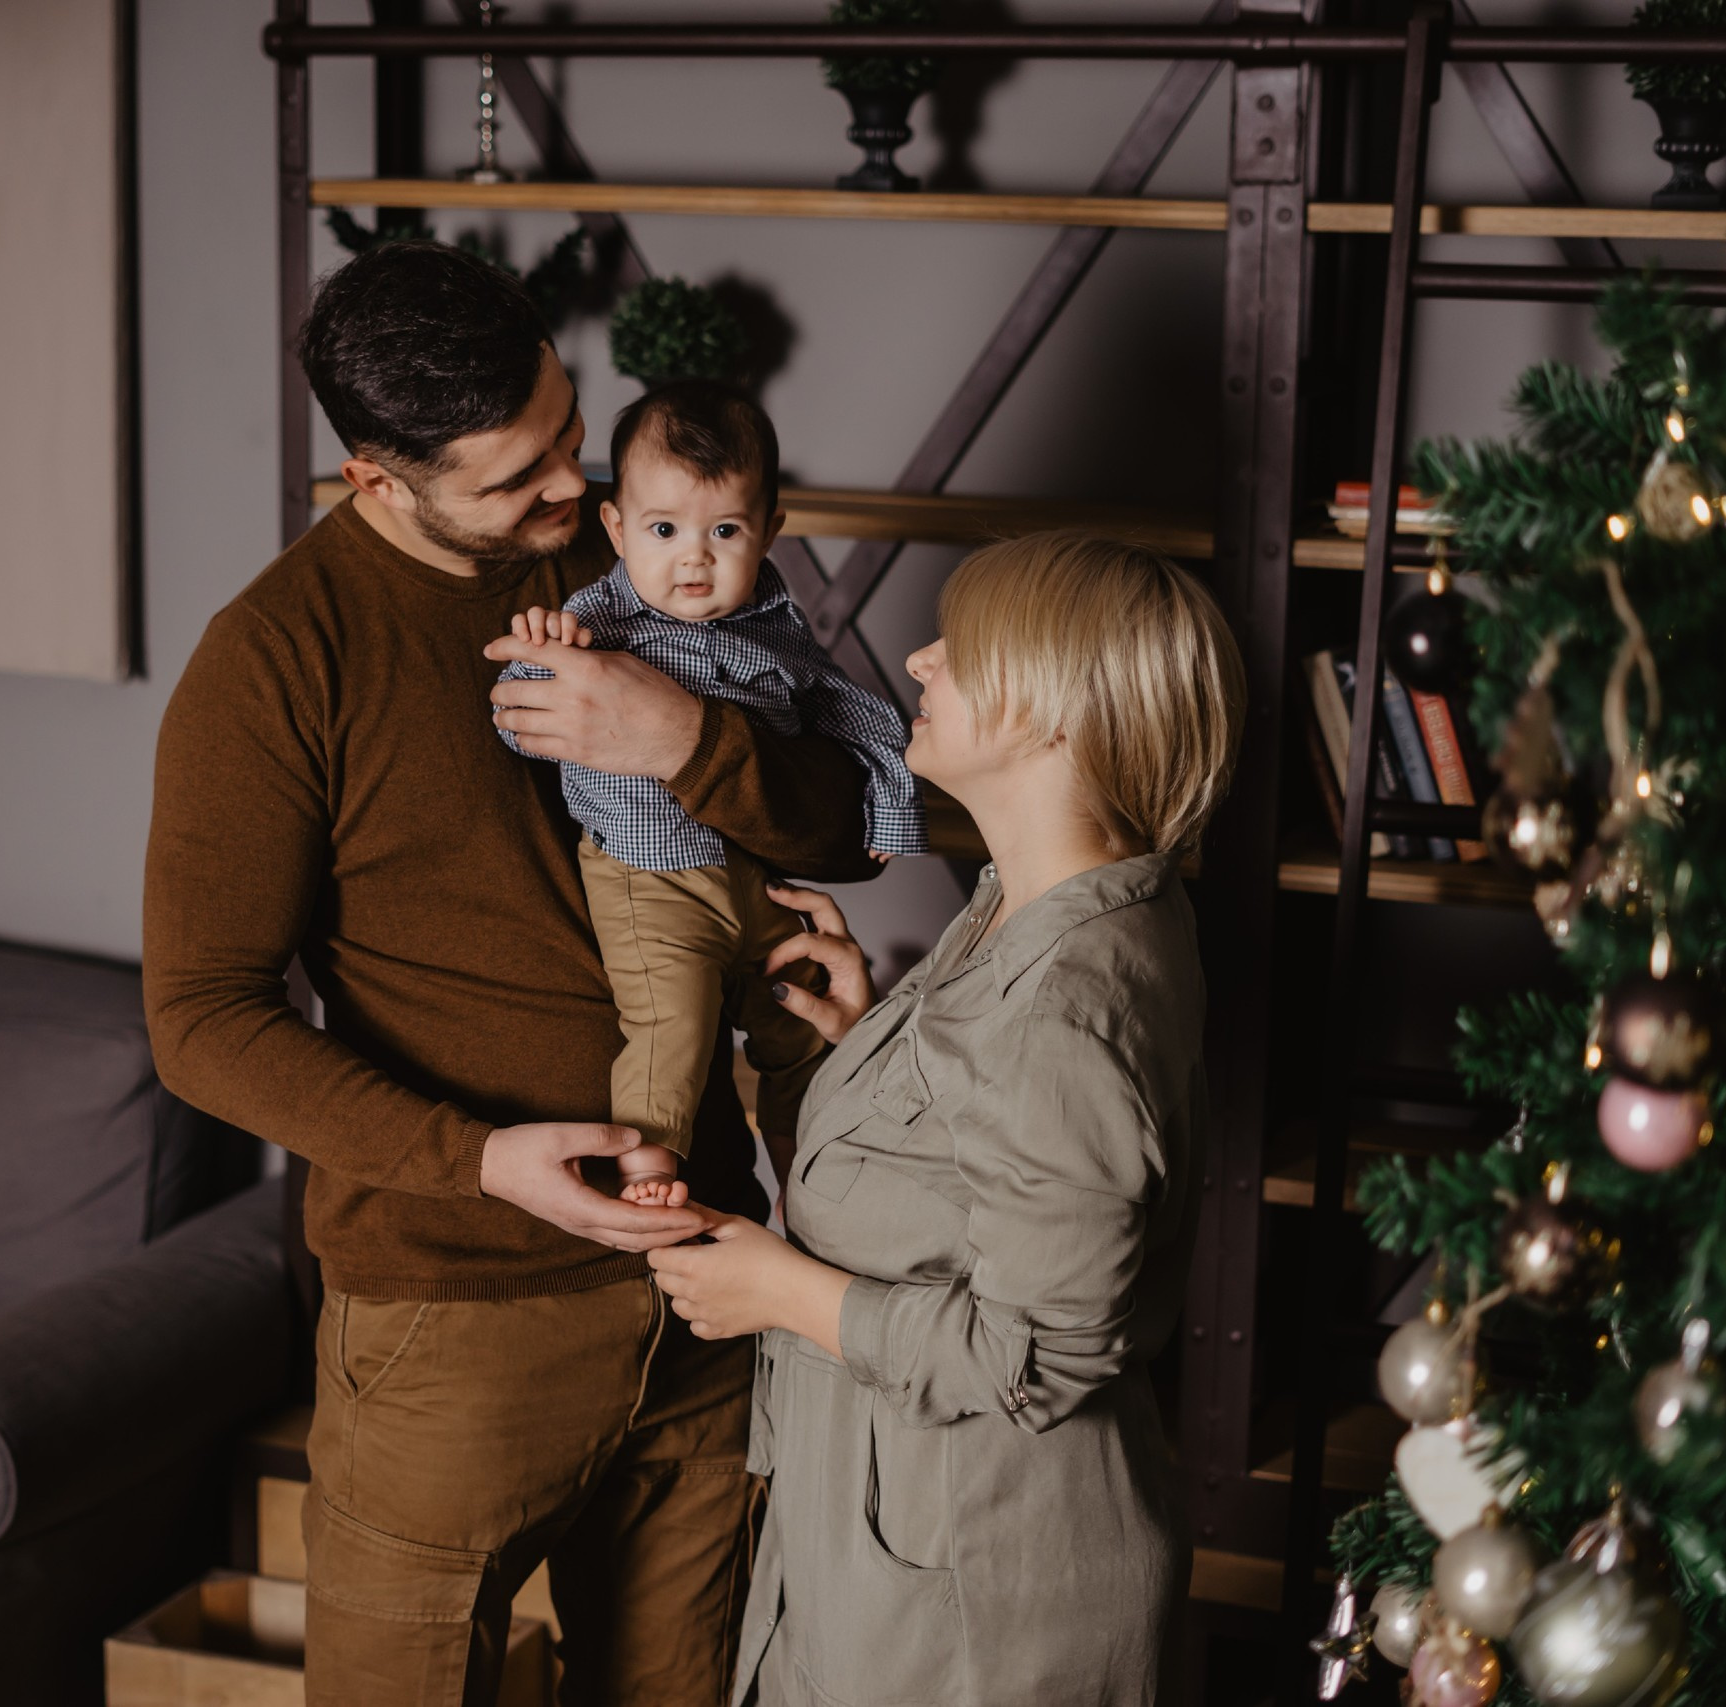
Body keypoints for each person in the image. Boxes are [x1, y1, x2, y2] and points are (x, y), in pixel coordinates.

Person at [141, 240, 879, 1707]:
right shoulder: (277, 660)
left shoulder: (655, 555)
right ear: (377, 479)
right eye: (512, 482)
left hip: (706, 1281)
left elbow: (857, 817)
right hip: (455, 1325)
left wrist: (677, 735)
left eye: (565, 437)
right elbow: (201, 1020)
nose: (566, 501)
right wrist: (478, 1159)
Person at [647, 531, 1246, 1707]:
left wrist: (779, 1294)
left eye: (961, 650)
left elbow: (1042, 1354)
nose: (919, 660)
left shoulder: (1066, 999)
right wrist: (875, 1048)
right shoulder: (1042, 900)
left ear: (1054, 714)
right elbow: (990, 1141)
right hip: (904, 1560)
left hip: (983, 1618)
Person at [495, 379, 926, 1205]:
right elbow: (520, 721)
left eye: (725, 529)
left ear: (769, 533)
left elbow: (851, 707)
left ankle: (812, 1166)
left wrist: (890, 803)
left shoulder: (777, 625)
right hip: (647, 878)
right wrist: (540, 653)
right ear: (616, 529)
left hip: (756, 871)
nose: (694, 556)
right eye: (663, 529)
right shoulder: (597, 621)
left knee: (799, 1018)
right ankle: (650, 1164)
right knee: (672, 1024)